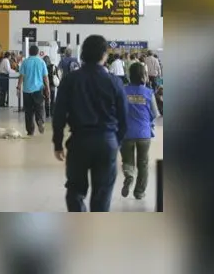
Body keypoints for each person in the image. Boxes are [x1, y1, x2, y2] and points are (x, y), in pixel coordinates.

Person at [52, 35, 128, 212]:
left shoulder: (70, 80)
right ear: (104, 55)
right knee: (102, 194)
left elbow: (59, 114)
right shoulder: (115, 82)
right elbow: (124, 119)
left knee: (75, 191)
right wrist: (116, 142)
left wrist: (57, 143)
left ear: (83, 54)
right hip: (107, 142)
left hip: (79, 142)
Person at [120, 62, 160, 199]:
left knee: (127, 160)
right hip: (144, 133)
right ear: (143, 75)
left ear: (129, 75)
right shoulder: (149, 92)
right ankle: (139, 192)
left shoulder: (123, 91)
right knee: (143, 163)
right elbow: (155, 113)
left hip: (126, 133)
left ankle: (129, 175)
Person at [16, 45, 50, 136]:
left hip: (27, 90)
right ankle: (40, 121)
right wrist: (48, 90)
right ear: (38, 52)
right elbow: (45, 77)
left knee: (28, 111)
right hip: (38, 90)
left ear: (29, 51)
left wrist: (18, 87)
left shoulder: (25, 62)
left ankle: (30, 130)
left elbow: (21, 76)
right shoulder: (41, 62)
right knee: (39, 108)